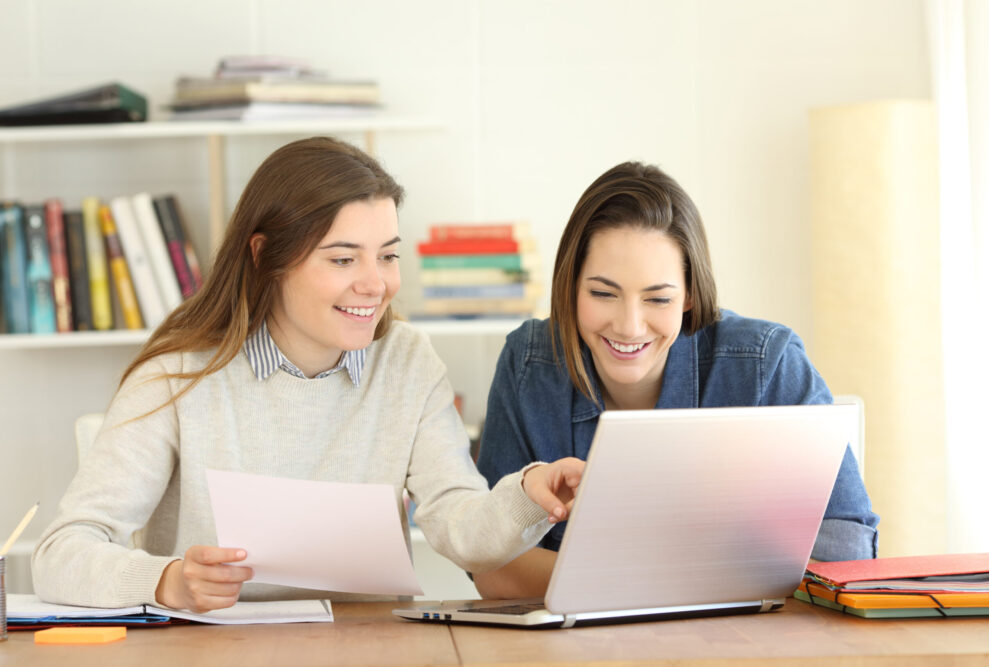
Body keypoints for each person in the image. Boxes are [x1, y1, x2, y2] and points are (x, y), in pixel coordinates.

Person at [32, 136, 583, 613]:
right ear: (265, 255)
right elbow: (62, 552)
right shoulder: (177, 376)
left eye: (387, 256)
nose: (376, 285)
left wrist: (529, 496)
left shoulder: (407, 360)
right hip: (209, 650)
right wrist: (168, 581)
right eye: (343, 259)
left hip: (364, 647)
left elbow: (460, 527)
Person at [473, 161, 879, 599]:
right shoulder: (530, 364)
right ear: (570, 287)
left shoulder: (766, 364)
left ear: (689, 295)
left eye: (658, 298)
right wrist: (694, 576)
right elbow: (492, 564)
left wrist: (615, 579)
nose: (629, 326)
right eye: (603, 293)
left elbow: (847, 552)